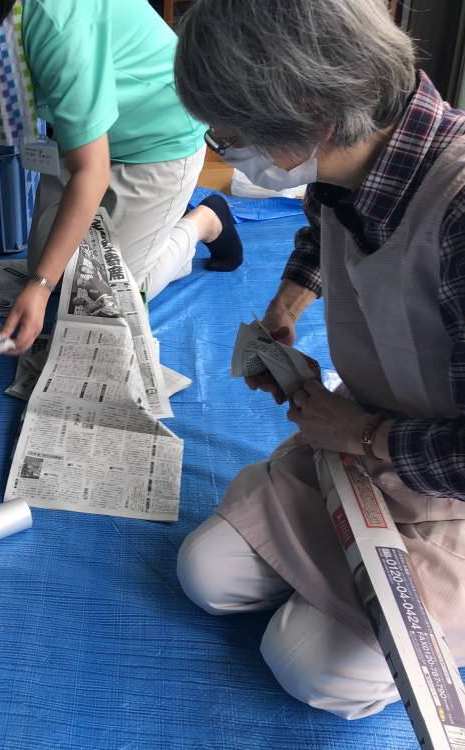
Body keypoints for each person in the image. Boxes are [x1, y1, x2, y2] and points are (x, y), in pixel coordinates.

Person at [173, 0, 465, 720]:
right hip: (366, 448)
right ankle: (336, 580)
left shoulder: (456, 211)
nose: (227, 152)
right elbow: (324, 224)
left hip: (445, 485)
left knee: (307, 667)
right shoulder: (354, 152)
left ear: (312, 116)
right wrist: (287, 306)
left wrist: (359, 433)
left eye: (232, 136)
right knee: (204, 575)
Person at [0, 0, 244, 353]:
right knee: (54, 279)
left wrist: (39, 284)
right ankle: (148, 234)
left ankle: (203, 221)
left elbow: (91, 171)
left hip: (156, 138)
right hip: (79, 139)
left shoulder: (55, 17)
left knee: (101, 298)